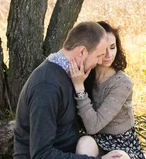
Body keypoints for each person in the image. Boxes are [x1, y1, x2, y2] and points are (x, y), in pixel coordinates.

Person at [14, 21, 124, 159]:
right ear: (82, 51)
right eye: (98, 56)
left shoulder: (71, 74)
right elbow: (41, 155)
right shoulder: (46, 87)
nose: (100, 61)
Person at [69, 21, 145, 159]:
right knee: (84, 142)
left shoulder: (122, 83)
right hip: (96, 140)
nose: (108, 54)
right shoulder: (84, 75)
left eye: (112, 47)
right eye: (103, 49)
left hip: (123, 144)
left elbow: (93, 126)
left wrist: (79, 88)